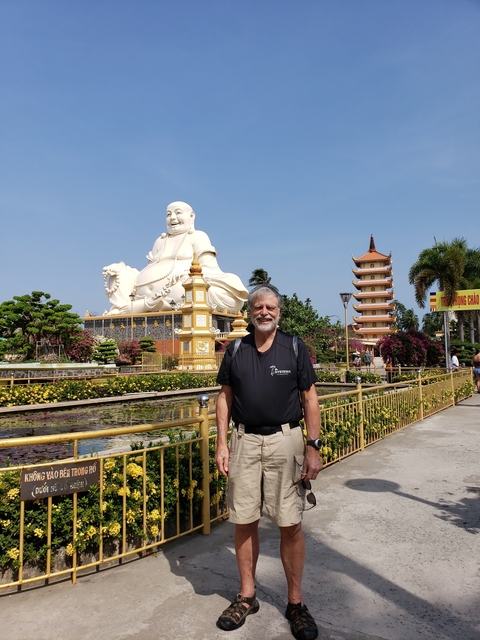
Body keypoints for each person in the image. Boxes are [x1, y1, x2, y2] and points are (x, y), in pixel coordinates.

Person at [215, 284, 322, 640]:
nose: (264, 311)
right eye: (258, 306)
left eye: (270, 306)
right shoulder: (236, 350)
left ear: (279, 312)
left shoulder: (293, 346)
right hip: (244, 440)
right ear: (250, 312)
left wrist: (313, 446)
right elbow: (224, 398)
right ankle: (247, 595)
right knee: (243, 519)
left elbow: (310, 398)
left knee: (289, 522)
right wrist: (221, 444)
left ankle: (296, 602)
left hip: (285, 440)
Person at [102, 201, 248, 314]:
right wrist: (122, 269)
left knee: (229, 296)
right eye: (168, 214)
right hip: (147, 292)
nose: (172, 218)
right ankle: (130, 305)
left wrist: (187, 273)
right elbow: (148, 269)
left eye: (178, 213)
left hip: (180, 287)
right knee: (118, 273)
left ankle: (139, 306)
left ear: (192, 216)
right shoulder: (160, 240)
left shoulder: (198, 236)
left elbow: (209, 268)